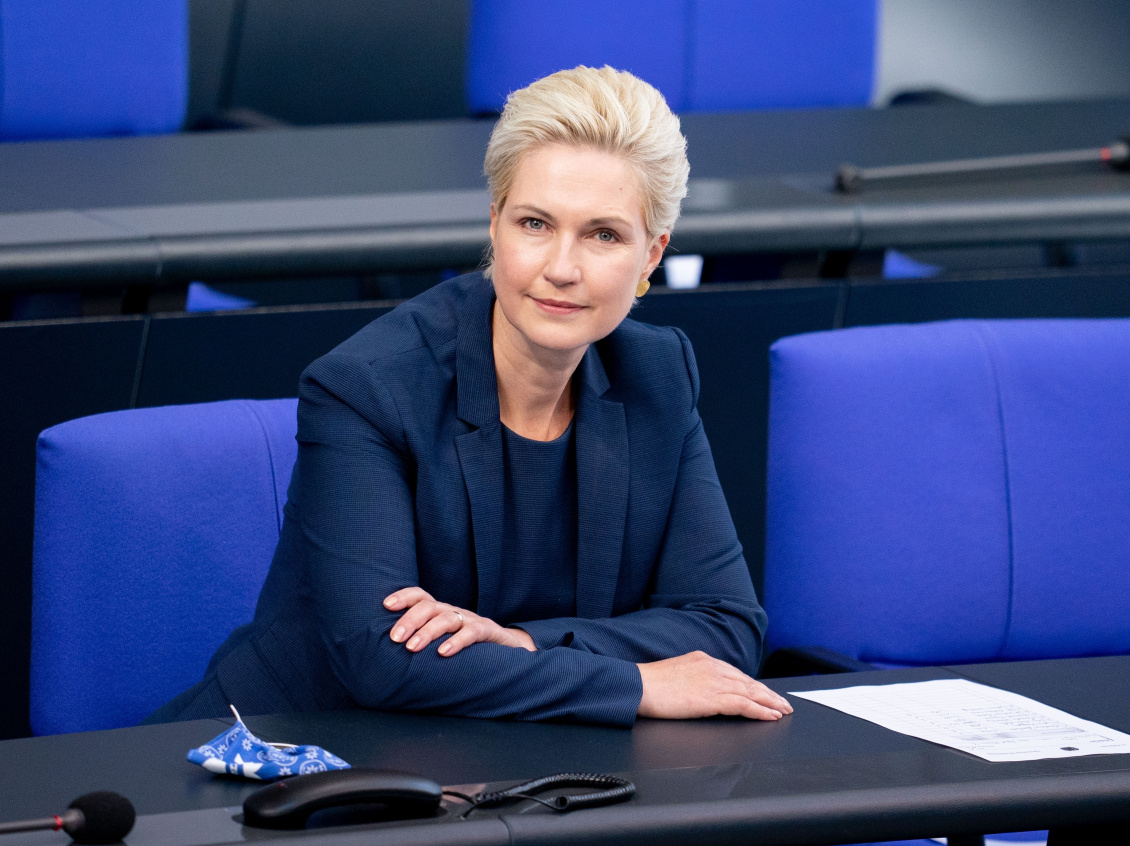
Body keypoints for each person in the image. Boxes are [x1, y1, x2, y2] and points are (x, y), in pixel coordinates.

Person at [147, 66, 791, 727]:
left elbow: (726, 627)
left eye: (604, 235)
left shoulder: (655, 374)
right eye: (535, 224)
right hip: (292, 749)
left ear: (651, 256)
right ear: (495, 225)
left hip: (511, 760)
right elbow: (380, 658)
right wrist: (634, 684)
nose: (561, 268)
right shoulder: (369, 387)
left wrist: (523, 643)